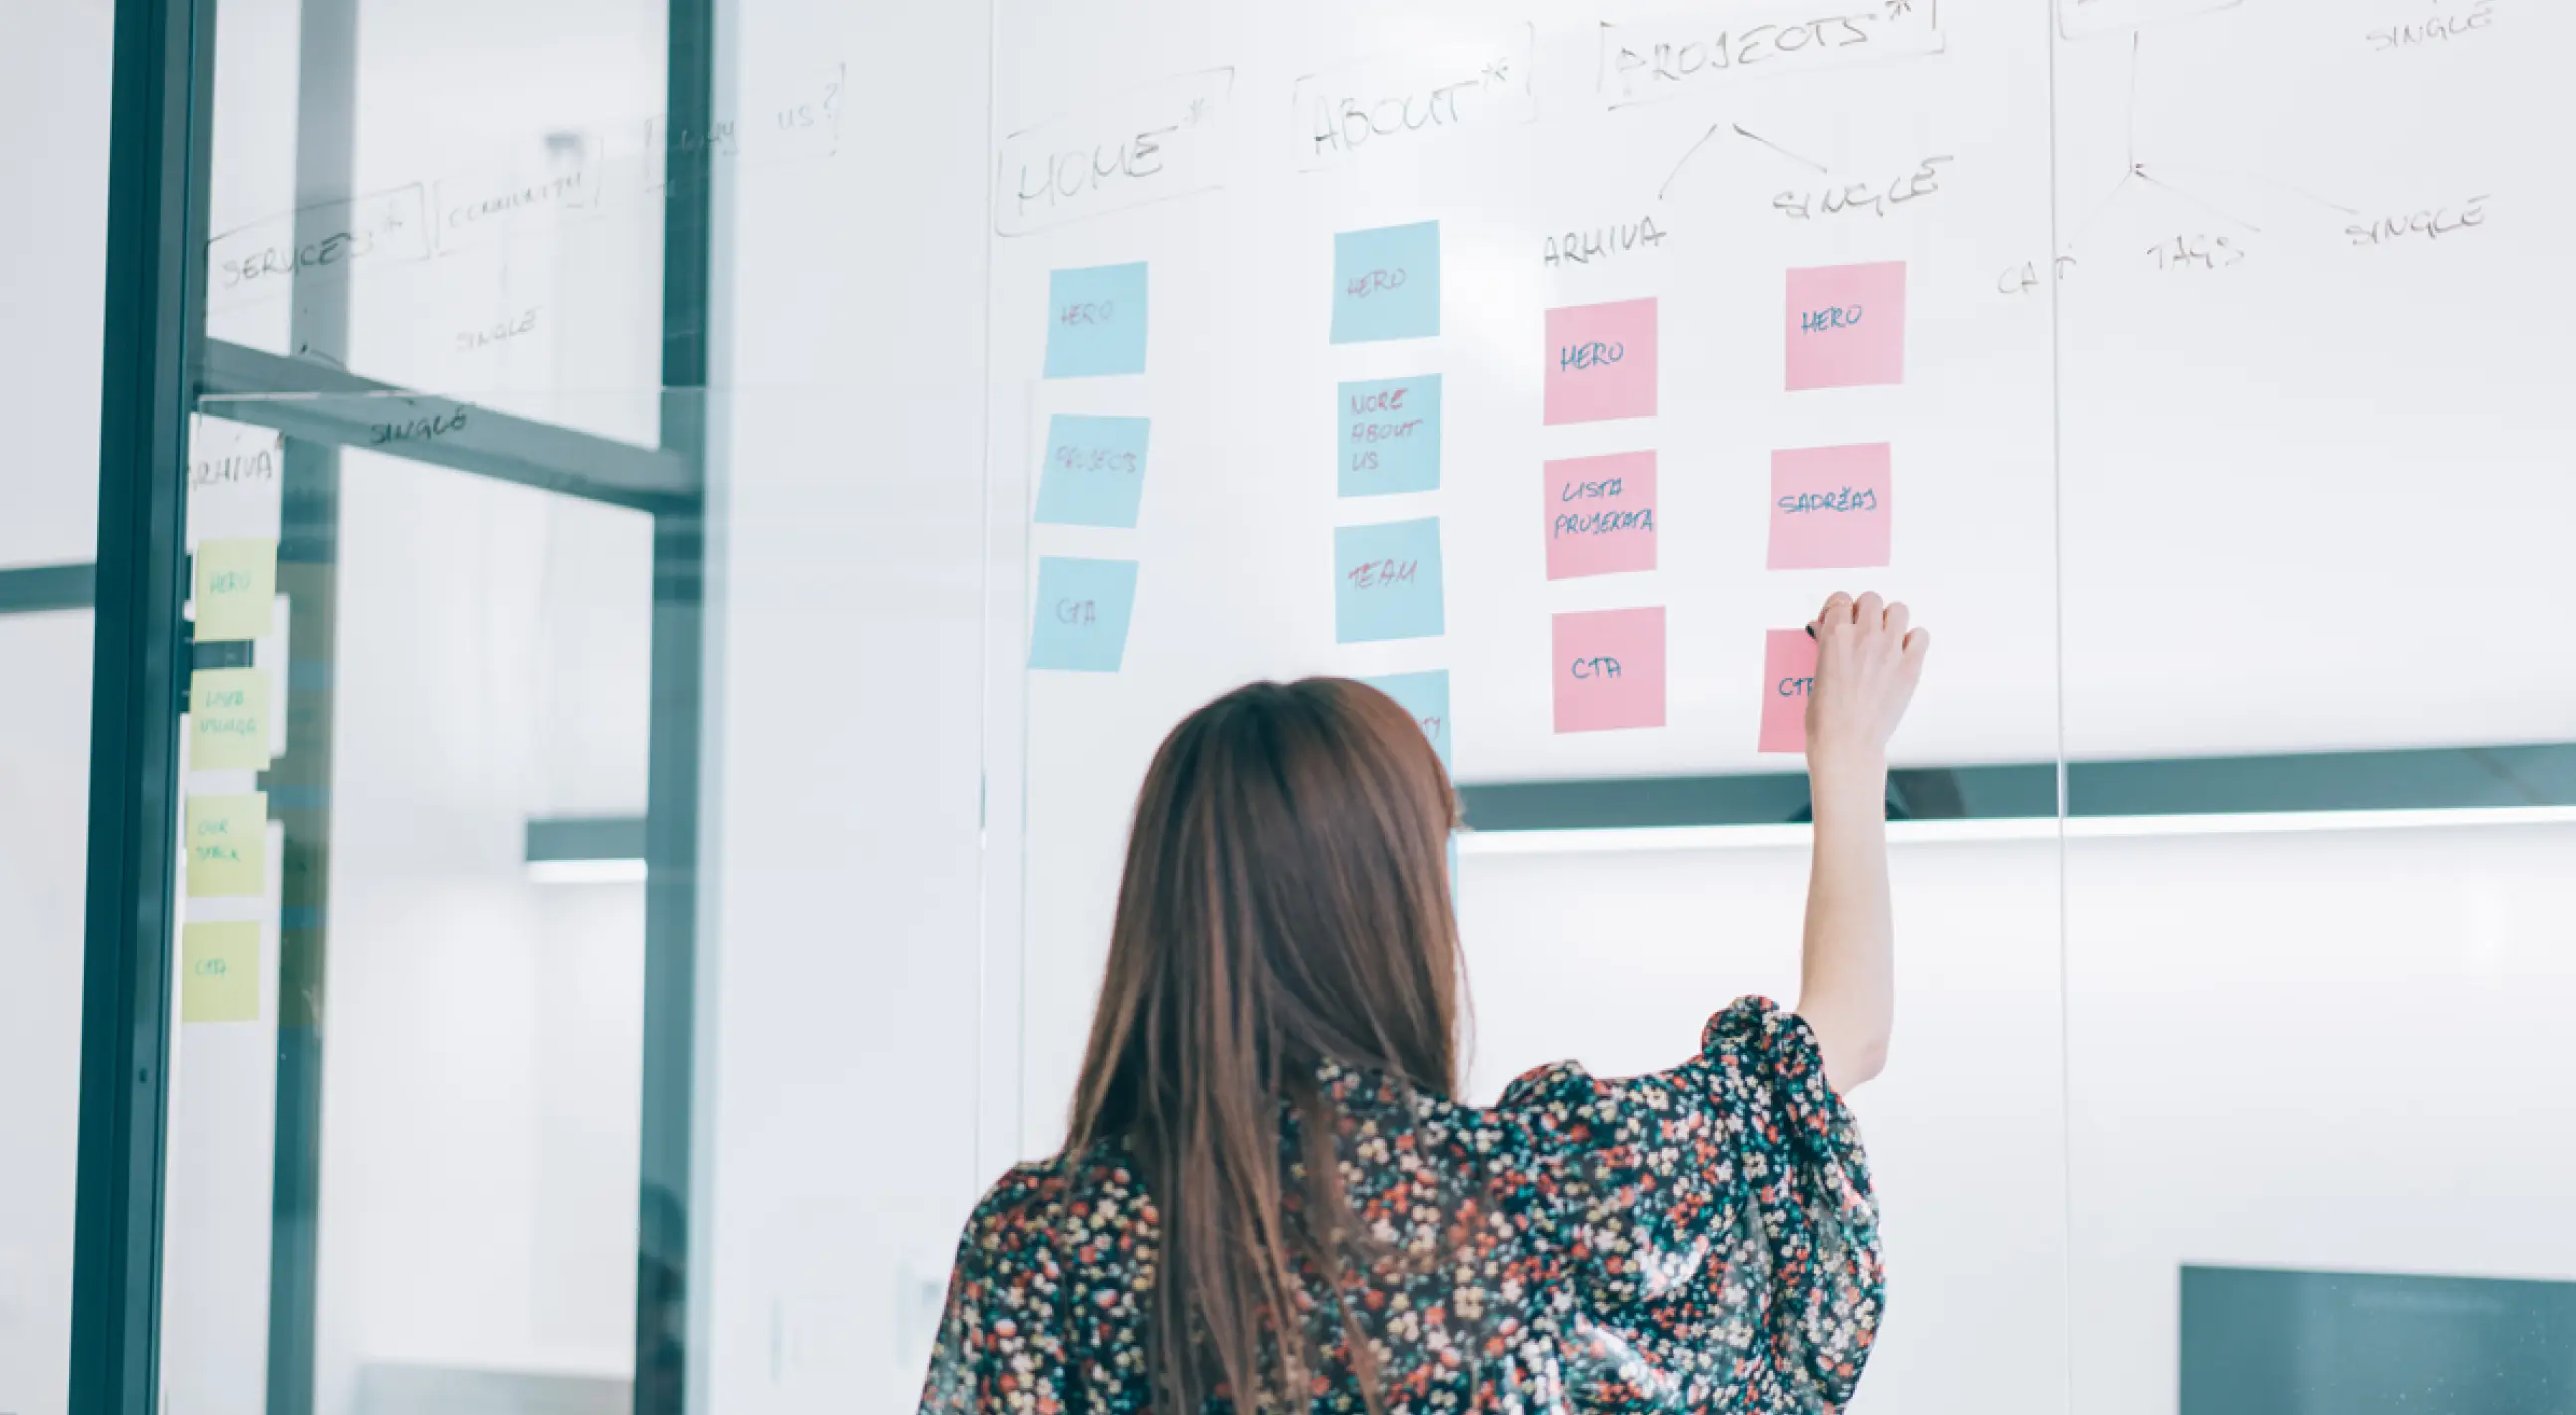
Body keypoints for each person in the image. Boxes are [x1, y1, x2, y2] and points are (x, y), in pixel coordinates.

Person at [919, 591, 1929, 1414]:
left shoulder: (1034, 1243)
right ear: (1392, 909)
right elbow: (1842, 1032)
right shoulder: (1534, 1194)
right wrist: (1848, 749)